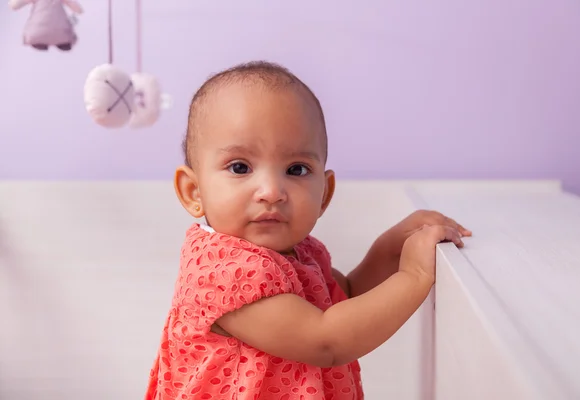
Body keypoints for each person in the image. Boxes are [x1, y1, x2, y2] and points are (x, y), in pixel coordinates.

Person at [145, 60, 471, 400]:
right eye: (240, 167)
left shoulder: (300, 252)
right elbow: (325, 339)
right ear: (194, 192)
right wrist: (415, 274)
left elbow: (346, 295)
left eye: (296, 169)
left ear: (324, 195)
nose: (271, 191)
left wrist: (391, 249)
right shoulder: (222, 274)